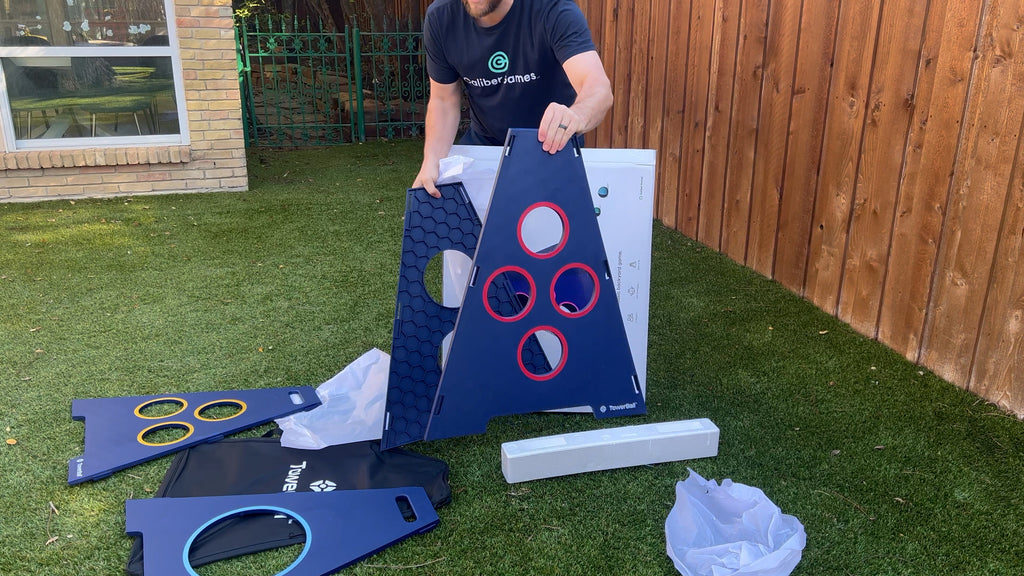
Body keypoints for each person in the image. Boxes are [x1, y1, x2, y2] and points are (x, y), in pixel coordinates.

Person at [412, 0, 613, 197]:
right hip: (485, 144)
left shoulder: (554, 9)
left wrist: (576, 115)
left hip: (552, 146)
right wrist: (431, 161)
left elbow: (598, 88)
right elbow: (444, 100)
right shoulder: (441, 17)